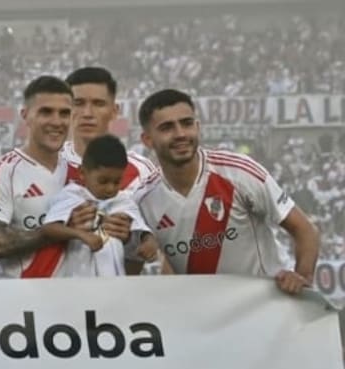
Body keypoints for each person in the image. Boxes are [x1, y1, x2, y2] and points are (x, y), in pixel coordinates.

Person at [135, 89, 319, 293]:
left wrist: (302, 276)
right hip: (203, 317)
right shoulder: (143, 199)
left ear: (197, 127)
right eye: (167, 127)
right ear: (147, 140)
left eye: (187, 123)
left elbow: (304, 229)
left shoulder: (239, 172)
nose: (180, 134)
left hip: (267, 309)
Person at [0, 75, 133, 280]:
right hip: (20, 301)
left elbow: (97, 239)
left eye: (64, 113)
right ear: (25, 115)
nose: (56, 122)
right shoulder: (0, 172)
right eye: (46, 112)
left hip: (74, 302)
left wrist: (118, 233)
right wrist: (58, 230)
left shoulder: (83, 174)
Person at [40, 135, 168, 277]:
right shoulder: (71, 195)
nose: (110, 188)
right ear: (82, 173)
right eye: (103, 181)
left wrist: (149, 242)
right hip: (76, 281)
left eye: (117, 181)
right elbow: (49, 229)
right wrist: (81, 235)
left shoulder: (124, 201)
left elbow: (142, 230)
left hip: (114, 283)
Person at [62, 66, 155, 193]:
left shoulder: (141, 171)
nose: (87, 113)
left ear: (114, 111)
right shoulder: (50, 166)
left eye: (98, 104)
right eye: (78, 103)